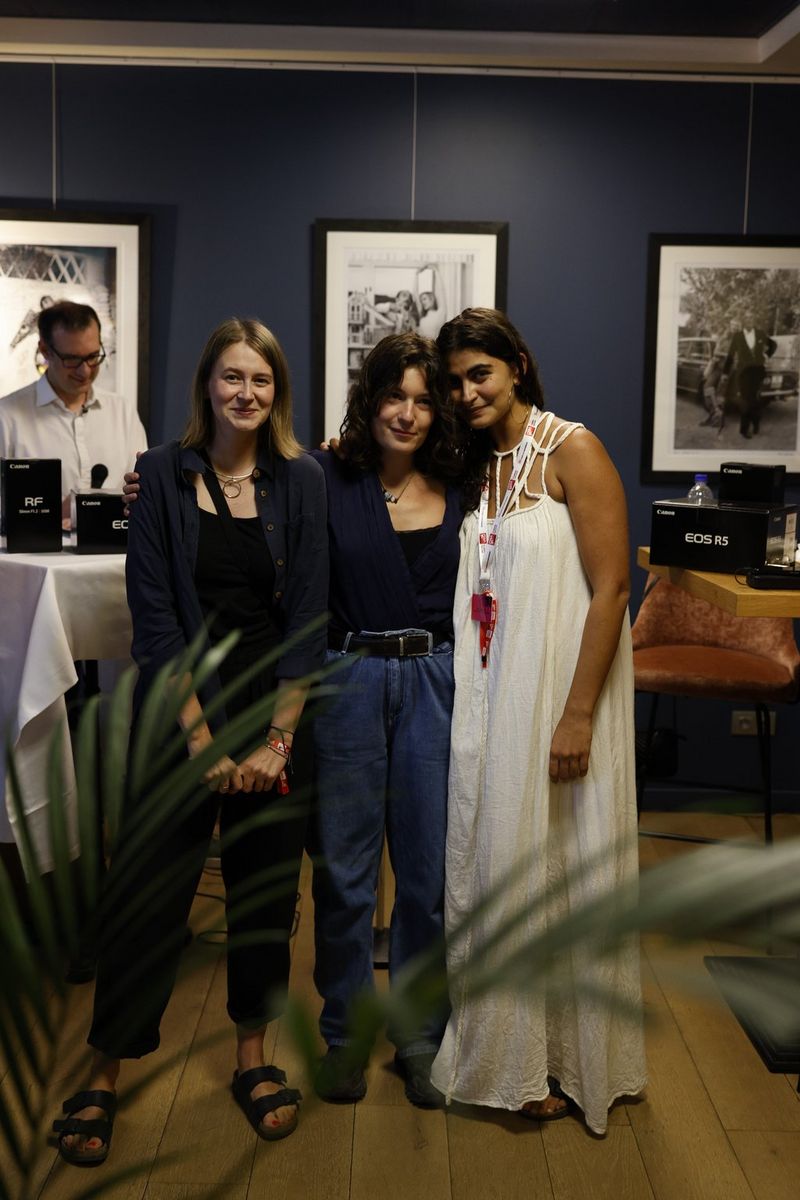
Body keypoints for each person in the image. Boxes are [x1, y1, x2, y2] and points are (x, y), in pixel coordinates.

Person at [53, 317, 328, 1165]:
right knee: (147, 896)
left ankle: (252, 1057)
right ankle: (104, 1069)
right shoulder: (161, 475)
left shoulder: (302, 481)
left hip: (275, 712)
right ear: (207, 384)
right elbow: (157, 624)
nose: (247, 392)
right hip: (182, 712)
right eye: (232, 377)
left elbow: (309, 618)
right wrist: (205, 742)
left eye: (262, 379)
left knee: (263, 897)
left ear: (277, 391)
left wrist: (276, 744)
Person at [429, 308, 646, 1135]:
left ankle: (576, 1058)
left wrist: (577, 714)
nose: (466, 392)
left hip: (559, 692)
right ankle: (512, 1054)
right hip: (494, 693)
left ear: (516, 365)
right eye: (454, 381)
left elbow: (612, 589)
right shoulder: (473, 464)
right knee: (501, 861)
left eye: (479, 374)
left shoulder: (571, 449)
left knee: (564, 863)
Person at [310, 331, 463, 1107]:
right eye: (394, 396)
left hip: (437, 680)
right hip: (349, 677)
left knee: (427, 874)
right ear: (369, 399)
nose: (407, 413)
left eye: (424, 401)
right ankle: (344, 1034)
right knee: (345, 874)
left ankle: (420, 1039)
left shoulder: (463, 482)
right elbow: (235, 485)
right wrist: (150, 484)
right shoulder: (325, 475)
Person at [0, 300, 147, 526]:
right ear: (45, 351)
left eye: (93, 356)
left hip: (115, 549)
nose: (85, 371)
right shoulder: (6, 417)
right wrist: (49, 516)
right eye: (72, 360)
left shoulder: (122, 411)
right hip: (35, 550)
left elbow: (144, 494)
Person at [723, 308, 777, 439]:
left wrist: (766, 355)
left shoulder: (760, 334)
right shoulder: (737, 336)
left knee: (754, 399)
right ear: (743, 320)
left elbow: (773, 345)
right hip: (743, 373)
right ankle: (744, 429)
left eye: (751, 317)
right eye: (747, 318)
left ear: (754, 320)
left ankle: (756, 421)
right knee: (746, 400)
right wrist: (725, 372)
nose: (749, 320)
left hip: (758, 372)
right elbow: (730, 355)